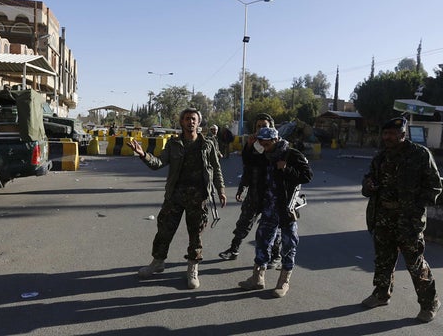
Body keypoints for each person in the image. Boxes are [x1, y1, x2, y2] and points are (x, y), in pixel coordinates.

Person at [127, 108, 227, 289]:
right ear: (181, 122)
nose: (191, 122)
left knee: (195, 234)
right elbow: (158, 164)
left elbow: (216, 167)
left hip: (199, 197)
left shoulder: (208, 144)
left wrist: (221, 189)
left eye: (194, 119)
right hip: (175, 195)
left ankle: (192, 268)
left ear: (199, 122)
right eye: (187, 119)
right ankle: (157, 262)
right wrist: (143, 154)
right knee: (164, 229)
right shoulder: (173, 144)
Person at [361, 117, 441, 323]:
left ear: (403, 135)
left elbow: (435, 186)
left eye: (392, 134)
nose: (387, 137)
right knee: (383, 259)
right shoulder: (380, 157)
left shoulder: (420, 155)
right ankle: (381, 294)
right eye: (385, 133)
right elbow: (367, 183)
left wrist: (415, 209)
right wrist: (368, 185)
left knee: (415, 264)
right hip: (383, 217)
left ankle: (429, 303)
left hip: (408, 220)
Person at [238, 127, 312, 297]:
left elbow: (307, 176)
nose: (264, 146)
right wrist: (249, 146)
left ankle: (283, 281)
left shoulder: (292, 155)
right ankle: (257, 278)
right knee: (263, 240)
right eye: (261, 143)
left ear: (276, 140)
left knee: (288, 243)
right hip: (269, 207)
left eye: (267, 143)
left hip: (285, 208)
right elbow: (249, 162)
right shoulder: (265, 155)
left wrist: (286, 168)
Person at [219, 113, 282, 269]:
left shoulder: (279, 145)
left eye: (265, 126)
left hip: (271, 195)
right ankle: (234, 249)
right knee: (243, 222)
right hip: (254, 192)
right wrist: (242, 187)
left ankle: (276, 256)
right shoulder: (253, 145)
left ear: (271, 127)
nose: (261, 129)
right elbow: (248, 167)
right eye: (258, 126)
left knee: (274, 227)